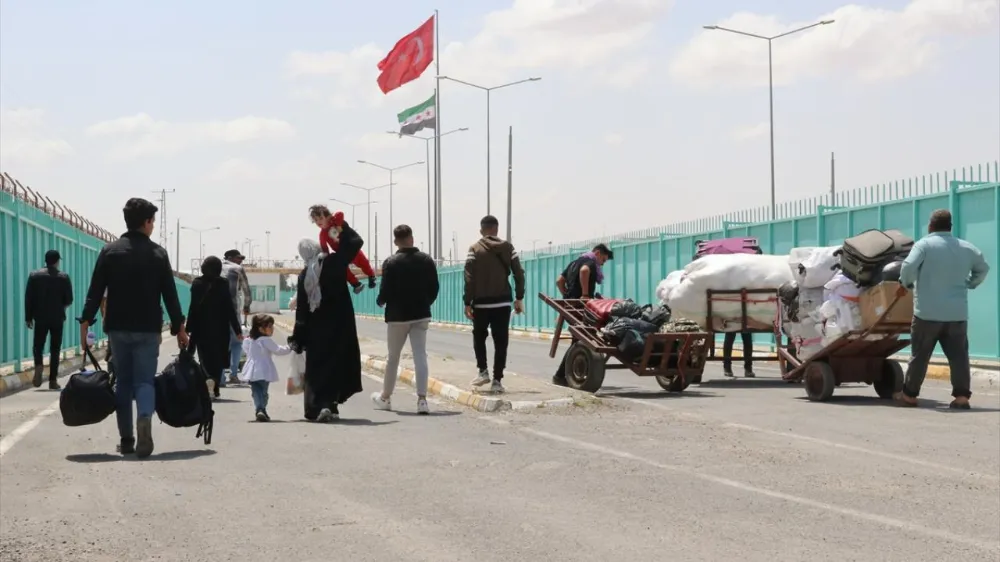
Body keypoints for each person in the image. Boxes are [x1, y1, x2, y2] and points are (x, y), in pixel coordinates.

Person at [79, 197, 187, 459]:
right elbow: (170, 295)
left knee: (124, 383)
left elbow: (95, 291)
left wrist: (85, 322)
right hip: (148, 328)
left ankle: (126, 439)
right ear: (147, 222)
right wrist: (179, 328)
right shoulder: (158, 254)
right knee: (144, 382)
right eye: (152, 222)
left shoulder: (109, 251)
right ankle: (145, 421)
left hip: (117, 327)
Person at [895, 209, 989, 409]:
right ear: (950, 227)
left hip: (926, 313)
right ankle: (962, 397)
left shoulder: (924, 245)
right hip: (957, 314)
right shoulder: (967, 248)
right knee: (959, 357)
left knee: (920, 355)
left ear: (930, 226)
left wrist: (906, 284)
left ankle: (910, 395)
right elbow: (983, 268)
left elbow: (908, 267)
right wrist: (970, 283)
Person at [289, 214, 365, 422]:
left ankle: (319, 406)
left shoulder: (305, 275)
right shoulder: (334, 262)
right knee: (336, 364)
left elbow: (302, 309)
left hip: (316, 330)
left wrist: (298, 336)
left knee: (317, 368)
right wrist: (338, 226)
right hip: (340, 326)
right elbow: (356, 242)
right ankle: (331, 405)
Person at [371, 224, 439, 414]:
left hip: (397, 317)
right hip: (421, 314)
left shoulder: (390, 262)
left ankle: (385, 397)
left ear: (395, 242)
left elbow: (385, 290)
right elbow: (434, 288)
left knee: (393, 358)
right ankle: (422, 400)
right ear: (412, 238)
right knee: (420, 355)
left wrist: (380, 301)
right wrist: (425, 303)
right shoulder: (426, 260)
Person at [463, 215, 525, 393]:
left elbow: (469, 277)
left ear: (482, 230)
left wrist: (467, 301)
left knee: (479, 337)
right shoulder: (507, 247)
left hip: (481, 303)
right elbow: (518, 273)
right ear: (496, 229)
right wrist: (519, 297)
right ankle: (497, 380)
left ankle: (483, 372)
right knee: (501, 341)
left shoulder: (474, 248)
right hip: (502, 303)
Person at [552, 244, 613, 386]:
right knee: (580, 340)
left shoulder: (574, 262)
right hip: (581, 307)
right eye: (603, 260)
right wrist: (585, 294)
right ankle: (561, 375)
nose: (602, 264)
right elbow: (584, 271)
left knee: (579, 340)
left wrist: (567, 296)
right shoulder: (590, 263)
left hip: (571, 306)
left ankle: (564, 375)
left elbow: (559, 281)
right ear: (597, 253)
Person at [186, 256, 243, 399]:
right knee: (218, 359)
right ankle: (215, 387)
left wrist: (187, 328)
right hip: (220, 329)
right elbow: (229, 308)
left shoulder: (197, 283)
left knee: (204, 358)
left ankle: (208, 382)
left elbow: (193, 308)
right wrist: (237, 329)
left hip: (201, 328)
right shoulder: (223, 283)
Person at [24, 249, 74, 389]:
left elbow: (29, 299)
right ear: (57, 261)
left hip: (40, 317)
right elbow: (69, 300)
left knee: (38, 346)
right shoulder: (63, 277)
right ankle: (53, 380)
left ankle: (39, 365)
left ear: (46, 261)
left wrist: (28, 317)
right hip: (57, 317)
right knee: (55, 348)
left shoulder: (34, 276)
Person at [309, 205, 377, 294]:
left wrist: (337, 225)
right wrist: (327, 258)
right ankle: (356, 283)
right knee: (342, 268)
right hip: (342, 253)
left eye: (321, 218)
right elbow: (325, 249)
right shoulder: (322, 234)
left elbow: (340, 213)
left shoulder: (334, 222)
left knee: (363, 262)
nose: (318, 222)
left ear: (327, 217)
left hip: (351, 247)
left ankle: (371, 276)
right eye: (316, 220)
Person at [240, 314, 291, 422]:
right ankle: (261, 409)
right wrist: (290, 346)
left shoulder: (250, 340)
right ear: (261, 329)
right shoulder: (266, 340)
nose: (272, 329)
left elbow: (245, 349)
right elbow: (278, 350)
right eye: (270, 327)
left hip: (252, 371)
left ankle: (259, 409)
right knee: (263, 392)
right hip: (264, 370)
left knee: (256, 391)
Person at [222, 249, 252, 386]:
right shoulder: (238, 269)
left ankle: (220, 376)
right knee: (236, 342)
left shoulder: (216, 267)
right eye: (238, 258)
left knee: (221, 345)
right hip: (233, 311)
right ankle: (233, 374)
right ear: (230, 258)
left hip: (217, 313)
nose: (240, 261)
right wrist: (246, 307)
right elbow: (246, 291)